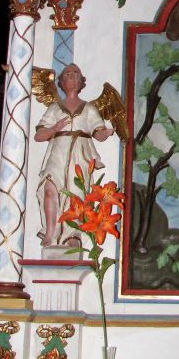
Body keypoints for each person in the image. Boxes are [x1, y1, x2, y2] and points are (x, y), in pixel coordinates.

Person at [34, 64, 114, 246]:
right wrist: (54, 129)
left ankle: (73, 235)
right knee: (49, 190)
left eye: (76, 75)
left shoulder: (89, 109)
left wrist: (106, 132)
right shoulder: (55, 108)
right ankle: (50, 232)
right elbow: (39, 136)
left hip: (80, 153)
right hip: (57, 152)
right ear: (61, 82)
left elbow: (98, 134)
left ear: (81, 81)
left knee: (76, 194)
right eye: (68, 75)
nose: (72, 78)